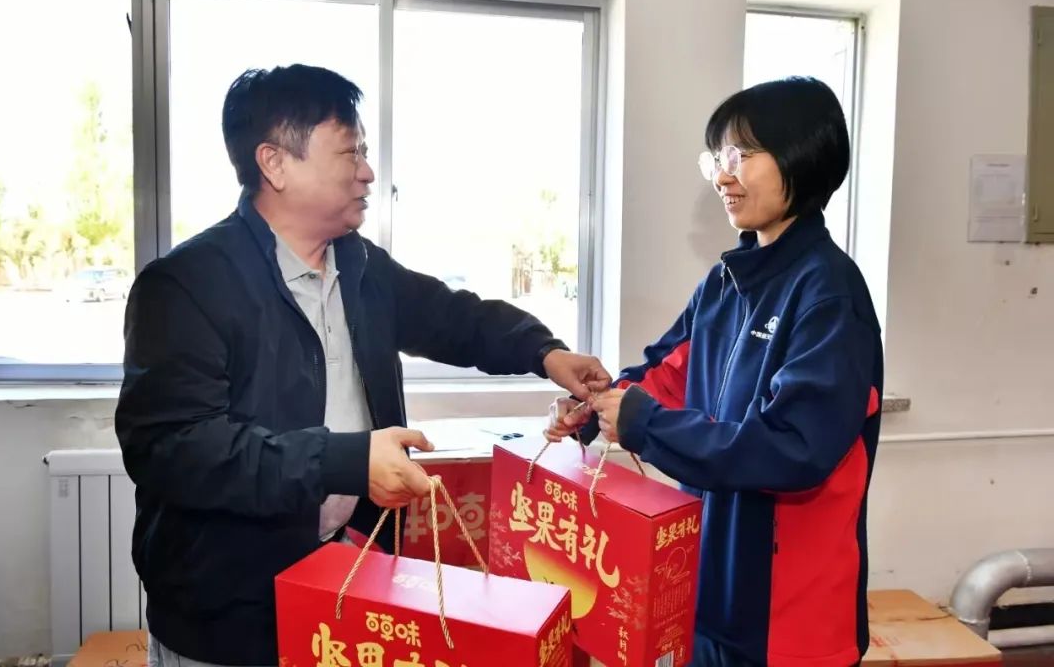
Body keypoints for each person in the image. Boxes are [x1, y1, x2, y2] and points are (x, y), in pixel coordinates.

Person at [116, 64, 611, 667]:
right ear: (275, 163)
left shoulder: (358, 266)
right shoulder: (187, 286)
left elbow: (453, 317)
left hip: (346, 579)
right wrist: (346, 460)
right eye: (350, 152)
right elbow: (175, 448)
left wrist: (545, 352)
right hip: (228, 610)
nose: (368, 172)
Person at [549, 77, 883, 667]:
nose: (722, 177)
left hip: (789, 620)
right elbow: (666, 373)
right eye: (717, 160)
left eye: (740, 156)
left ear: (803, 155)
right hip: (707, 586)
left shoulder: (829, 293)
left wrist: (645, 424)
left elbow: (793, 449)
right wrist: (597, 406)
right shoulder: (726, 282)